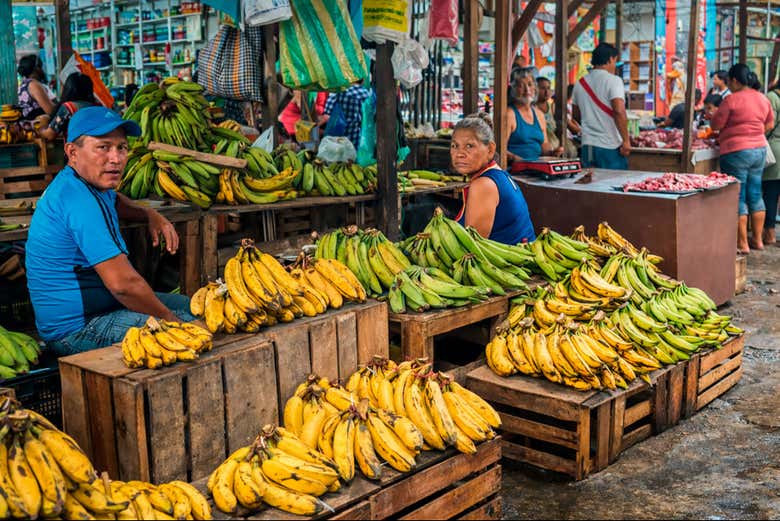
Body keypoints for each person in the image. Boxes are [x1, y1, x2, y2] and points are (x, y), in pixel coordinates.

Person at [25, 106, 195, 355]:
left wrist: (148, 214)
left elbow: (115, 200)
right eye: (103, 147)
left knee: (196, 307)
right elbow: (123, 285)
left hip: (104, 308)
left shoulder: (85, 184)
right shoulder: (77, 199)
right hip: (76, 330)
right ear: (72, 152)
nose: (115, 158)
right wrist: (171, 321)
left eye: (122, 148)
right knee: (190, 327)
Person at [710, 63, 775, 254]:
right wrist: (754, 134)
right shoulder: (762, 98)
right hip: (759, 150)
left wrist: (740, 136)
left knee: (737, 196)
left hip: (735, 152)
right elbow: (769, 123)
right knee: (755, 194)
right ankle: (758, 240)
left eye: (729, 81)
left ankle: (743, 243)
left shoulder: (731, 100)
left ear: (735, 81)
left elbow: (715, 125)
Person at [451, 113, 535, 245]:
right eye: (455, 146)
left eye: (469, 146)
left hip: (508, 263)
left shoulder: (484, 185)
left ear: (490, 149)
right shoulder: (499, 174)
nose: (459, 154)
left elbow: (473, 247)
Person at [571, 42, 631, 169]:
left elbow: (576, 115)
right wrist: (626, 141)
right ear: (610, 59)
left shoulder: (579, 84)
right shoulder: (614, 81)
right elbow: (619, 111)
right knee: (611, 186)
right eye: (614, 61)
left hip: (588, 147)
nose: (614, 65)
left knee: (591, 186)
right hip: (610, 147)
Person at [505, 70, 563, 164]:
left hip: (537, 167)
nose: (527, 90)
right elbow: (500, 148)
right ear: (513, 89)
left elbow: (544, 144)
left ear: (535, 88)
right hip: (516, 169)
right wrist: (515, 158)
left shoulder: (539, 114)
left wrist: (553, 153)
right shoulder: (510, 114)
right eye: (521, 85)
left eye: (530, 84)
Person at [37, 72, 96, 141]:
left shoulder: (68, 107)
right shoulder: (96, 106)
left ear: (68, 88)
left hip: (76, 149)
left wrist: (41, 128)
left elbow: (50, 135)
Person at [320, 81, 372, 150]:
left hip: (336, 143)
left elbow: (326, 115)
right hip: (356, 142)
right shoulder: (366, 94)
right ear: (362, 80)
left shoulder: (337, 91)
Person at [761, 78, 780, 245]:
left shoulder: (773, 97)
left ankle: (770, 234)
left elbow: (768, 124)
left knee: (771, 193)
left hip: (776, 149)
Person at [17, 55, 55, 121]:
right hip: (36, 128)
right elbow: (51, 111)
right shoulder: (33, 85)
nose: (42, 70)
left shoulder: (25, 83)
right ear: (37, 68)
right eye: (41, 67)